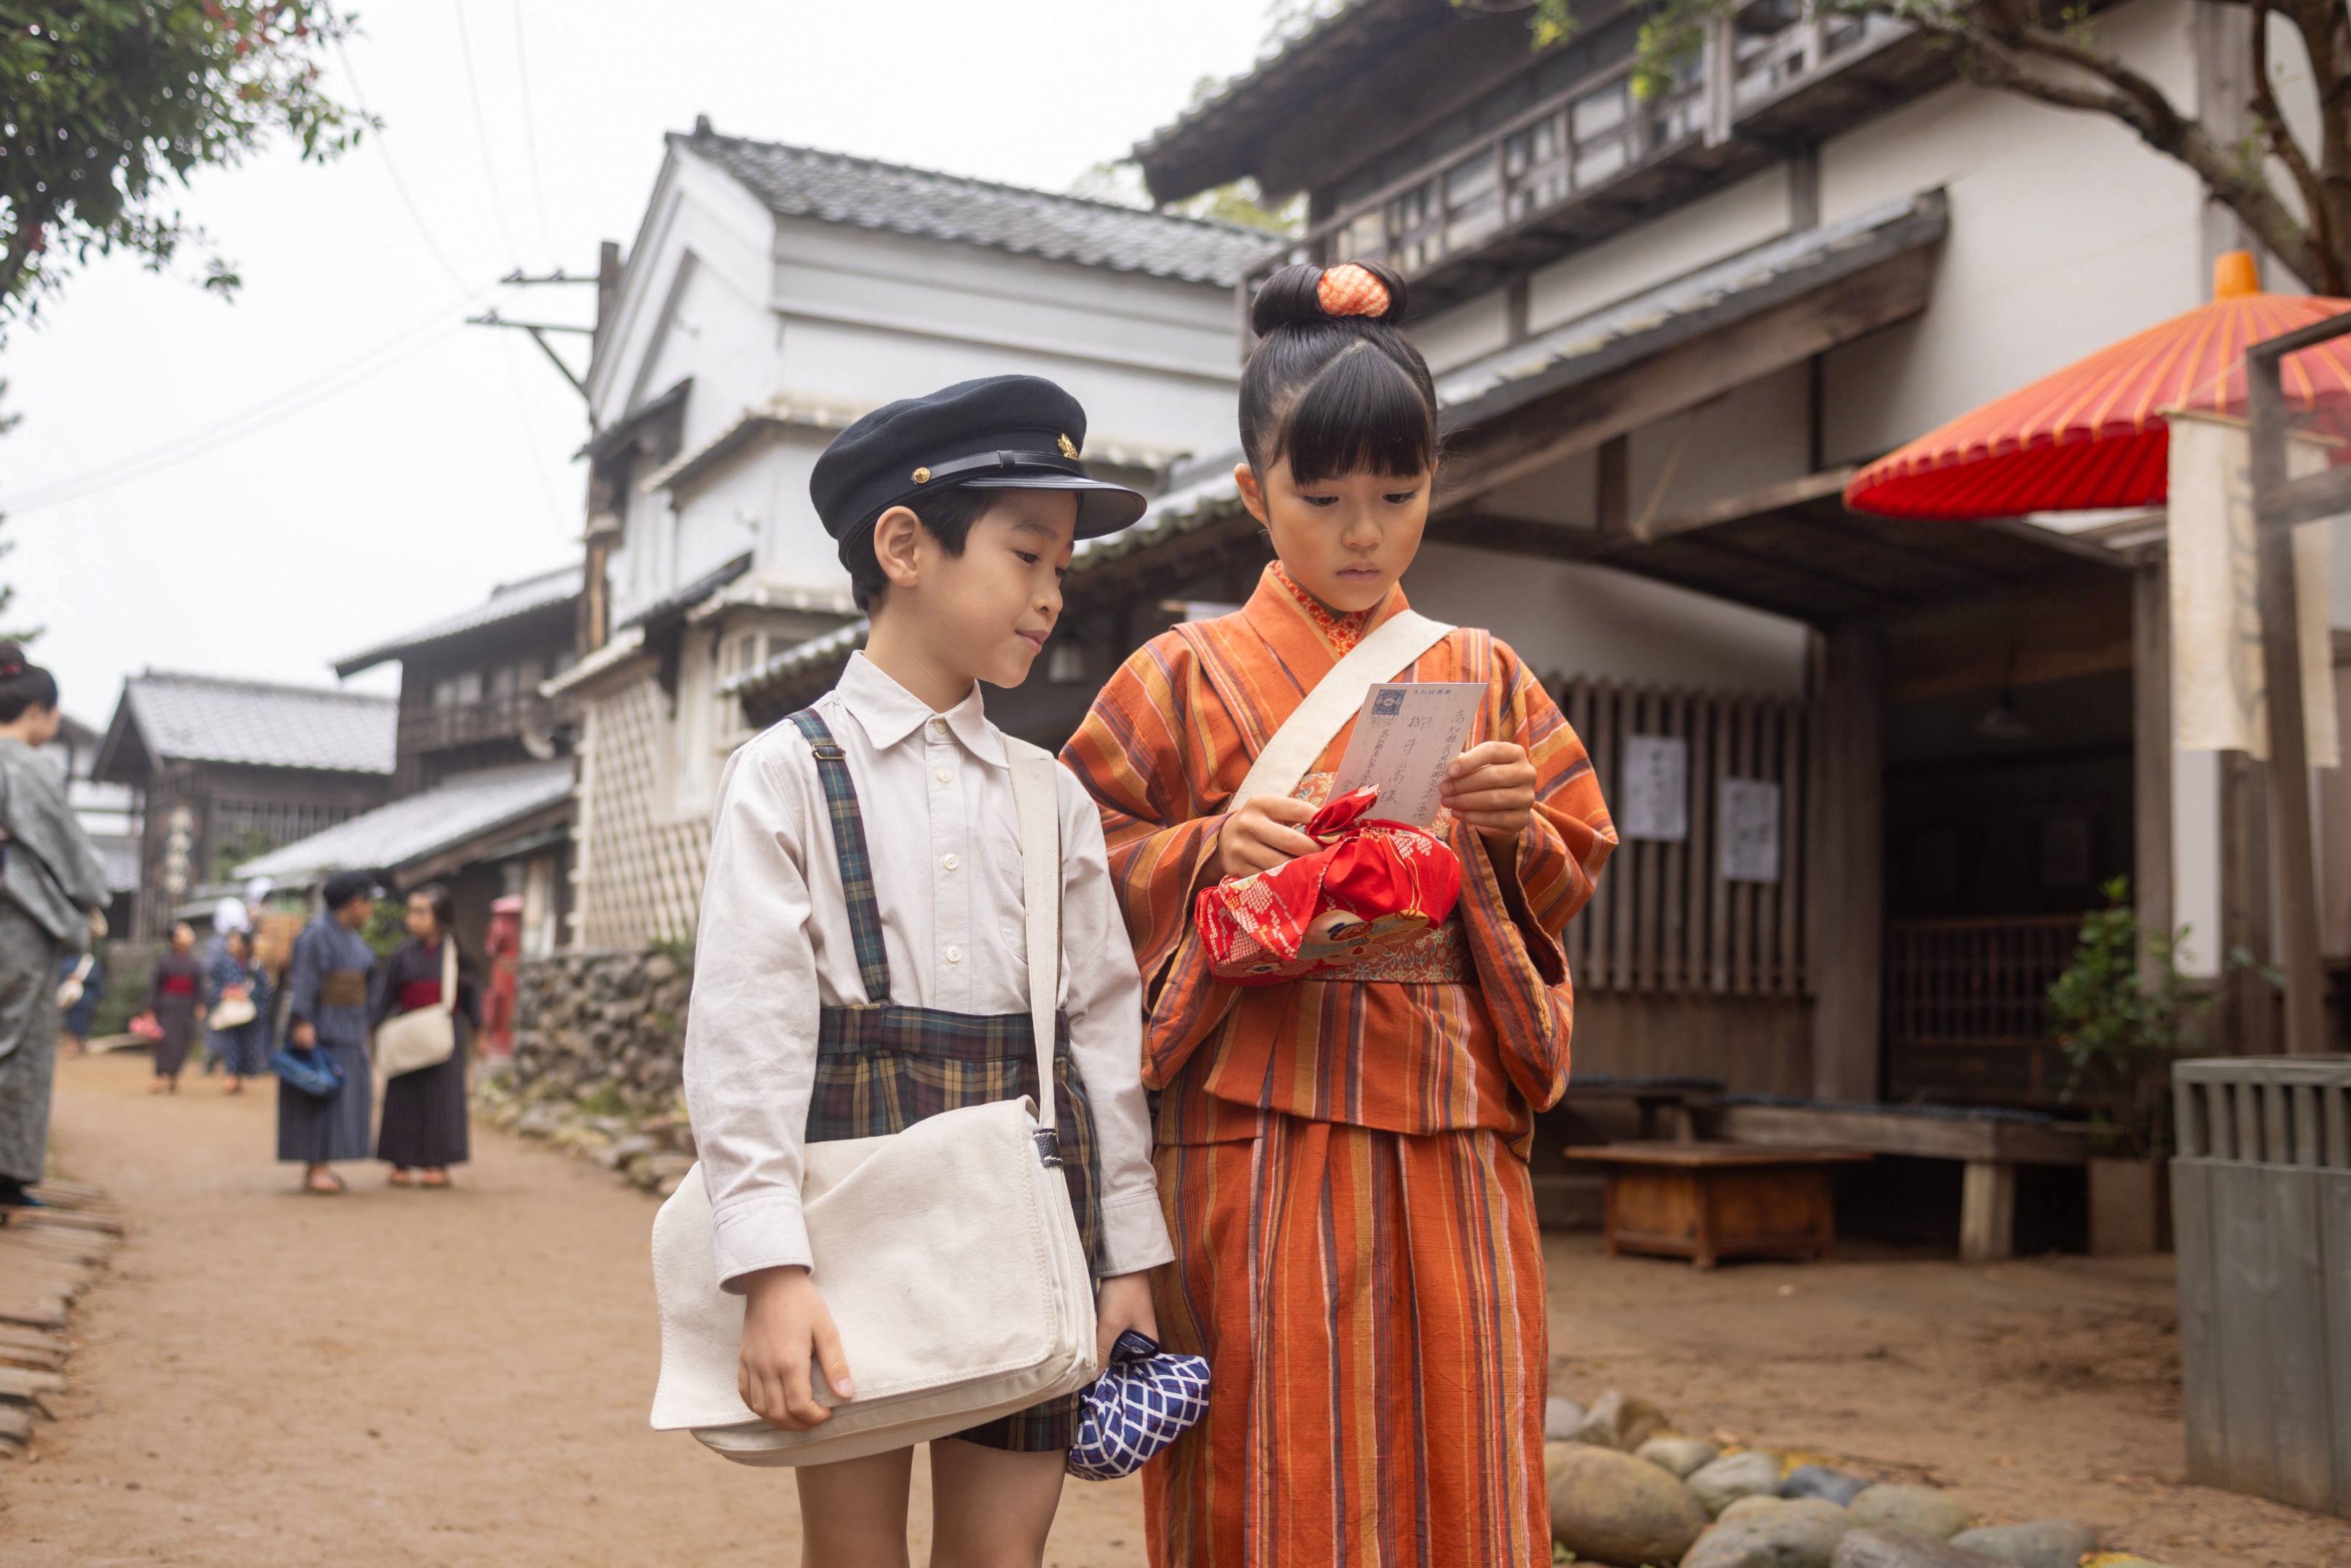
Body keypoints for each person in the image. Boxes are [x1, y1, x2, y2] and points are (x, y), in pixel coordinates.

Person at [1059, 261, 1618, 1567]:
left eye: (1396, 494)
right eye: (1321, 498)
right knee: (1269, 1455)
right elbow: (1072, 864)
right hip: (1253, 1115)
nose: (1361, 531)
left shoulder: (1483, 673)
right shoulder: (1178, 674)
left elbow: (1572, 856)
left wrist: (1508, 826)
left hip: (1451, 1113)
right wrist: (1207, 848)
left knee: (1465, 1438)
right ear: (1254, 495)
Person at [684, 375, 1170, 1566]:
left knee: (1000, 1562)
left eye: (1060, 566)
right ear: (902, 544)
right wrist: (768, 1268)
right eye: (1025, 554)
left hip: (1030, 1218)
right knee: (854, 1560)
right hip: (843, 1218)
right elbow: (746, 1037)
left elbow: (1102, 1041)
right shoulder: (787, 775)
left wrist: (1127, 1264)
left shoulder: (1048, 796)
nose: (1052, 595)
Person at [0, 645, 110, 1209]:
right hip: (18, 920)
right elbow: (71, 852)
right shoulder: (25, 763)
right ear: (39, 709)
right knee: (17, 1046)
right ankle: (8, 1171)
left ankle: (11, 1175)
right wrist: (93, 892)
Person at [371, 884, 478, 1188]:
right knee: (404, 1096)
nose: (412, 919)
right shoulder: (403, 954)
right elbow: (386, 994)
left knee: (442, 1097)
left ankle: (437, 1162)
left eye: (421, 913)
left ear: (440, 917)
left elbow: (472, 996)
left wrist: (480, 1032)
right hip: (409, 1029)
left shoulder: (456, 953)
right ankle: (400, 1160)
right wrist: (374, 1025)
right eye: (411, 912)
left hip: (446, 1030)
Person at [278, 871, 378, 1195]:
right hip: (322, 1027)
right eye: (367, 903)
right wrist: (303, 1020)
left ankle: (321, 1164)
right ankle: (317, 1166)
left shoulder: (353, 939)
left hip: (350, 1027)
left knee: (342, 1099)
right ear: (354, 903)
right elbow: (305, 981)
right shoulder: (316, 936)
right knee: (318, 1095)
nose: (369, 910)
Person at [203, 927, 272, 1093]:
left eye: (236, 941)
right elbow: (213, 984)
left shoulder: (255, 966)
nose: (231, 944)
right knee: (231, 1044)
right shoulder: (224, 965)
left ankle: (240, 1075)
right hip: (230, 1013)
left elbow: (265, 990)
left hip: (249, 1014)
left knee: (247, 1045)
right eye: (231, 941)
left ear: (246, 946)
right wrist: (224, 992)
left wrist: (246, 993)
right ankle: (231, 1076)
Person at [146, 922, 205, 1093]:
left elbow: (200, 987)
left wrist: (200, 1004)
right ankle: (159, 1074)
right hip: (168, 1006)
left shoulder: (195, 963)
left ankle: (174, 1075)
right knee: (165, 1041)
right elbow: (155, 985)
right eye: (183, 933)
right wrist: (151, 1006)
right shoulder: (164, 961)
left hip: (186, 1006)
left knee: (183, 1041)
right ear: (173, 940)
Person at [57, 949, 105, 1056]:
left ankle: (83, 1041)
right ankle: (72, 1043)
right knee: (71, 1020)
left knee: (84, 1020)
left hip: (87, 996)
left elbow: (98, 980)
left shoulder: (90, 962)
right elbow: (60, 979)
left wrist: (100, 996)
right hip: (71, 999)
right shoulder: (66, 962)